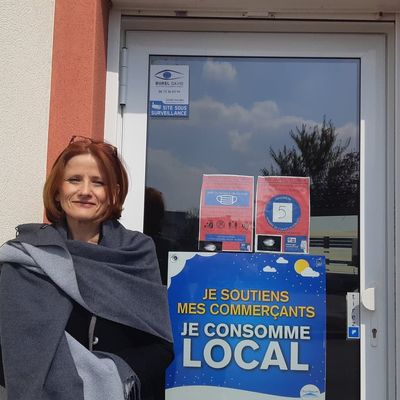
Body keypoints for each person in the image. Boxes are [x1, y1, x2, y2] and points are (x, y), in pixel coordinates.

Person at [0, 136, 174, 400]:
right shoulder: (26, 256)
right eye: (74, 180)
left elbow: (160, 346)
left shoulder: (136, 253)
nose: (85, 190)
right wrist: (55, 382)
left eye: (98, 182)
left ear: (114, 193)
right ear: (58, 191)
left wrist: (108, 375)